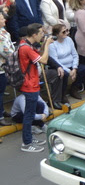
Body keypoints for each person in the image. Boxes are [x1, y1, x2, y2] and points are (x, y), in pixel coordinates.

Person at [19, 23, 53, 152]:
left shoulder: (26, 44)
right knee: (29, 115)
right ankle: (27, 143)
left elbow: (39, 55)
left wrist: (44, 44)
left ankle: (29, 138)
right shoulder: (26, 48)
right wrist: (48, 45)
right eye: (40, 33)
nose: (42, 35)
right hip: (29, 85)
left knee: (29, 113)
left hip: (31, 83)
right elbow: (44, 60)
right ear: (34, 34)